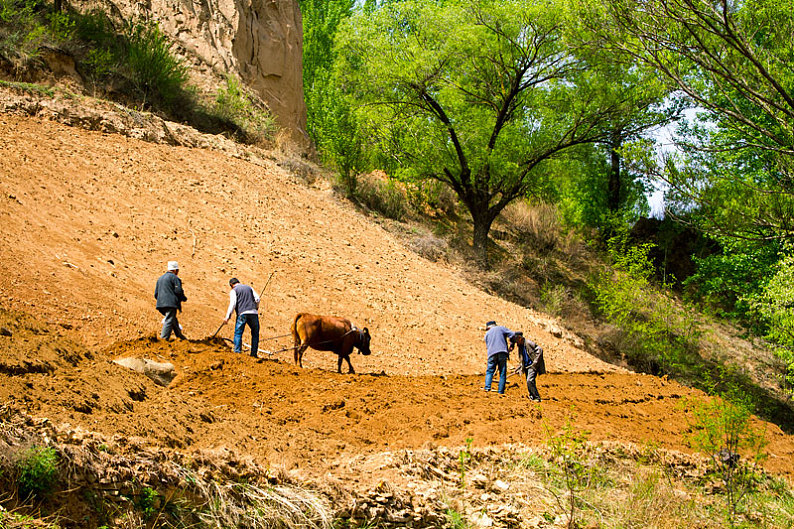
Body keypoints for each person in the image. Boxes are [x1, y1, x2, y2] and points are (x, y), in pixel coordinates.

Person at [224, 278, 260, 358]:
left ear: (231, 285)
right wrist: (256, 307)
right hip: (253, 313)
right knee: (255, 334)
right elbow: (257, 299)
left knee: (238, 333)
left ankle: (237, 352)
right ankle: (254, 354)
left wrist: (227, 317)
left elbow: (233, 304)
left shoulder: (234, 291)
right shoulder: (249, 288)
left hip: (242, 313)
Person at [154, 261, 187, 340]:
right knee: (169, 320)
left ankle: (180, 337)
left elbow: (156, 293)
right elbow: (178, 291)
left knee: (172, 319)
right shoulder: (174, 278)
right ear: (175, 270)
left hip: (160, 304)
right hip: (170, 304)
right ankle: (163, 339)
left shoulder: (160, 278)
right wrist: (183, 298)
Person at [511, 331, 546, 402]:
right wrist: (519, 368)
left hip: (532, 366)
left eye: (517, 340)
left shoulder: (528, 343)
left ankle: (536, 397)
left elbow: (540, 350)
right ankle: (532, 396)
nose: (516, 343)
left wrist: (535, 362)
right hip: (526, 366)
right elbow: (522, 359)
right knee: (530, 382)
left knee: (529, 381)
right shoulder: (520, 347)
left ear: (520, 338)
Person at [483, 320, 515, 394]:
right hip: (502, 352)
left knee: (489, 371)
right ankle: (500, 391)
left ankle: (487, 388)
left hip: (491, 354)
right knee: (502, 372)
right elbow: (513, 334)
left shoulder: (487, 334)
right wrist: (512, 345)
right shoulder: (501, 328)